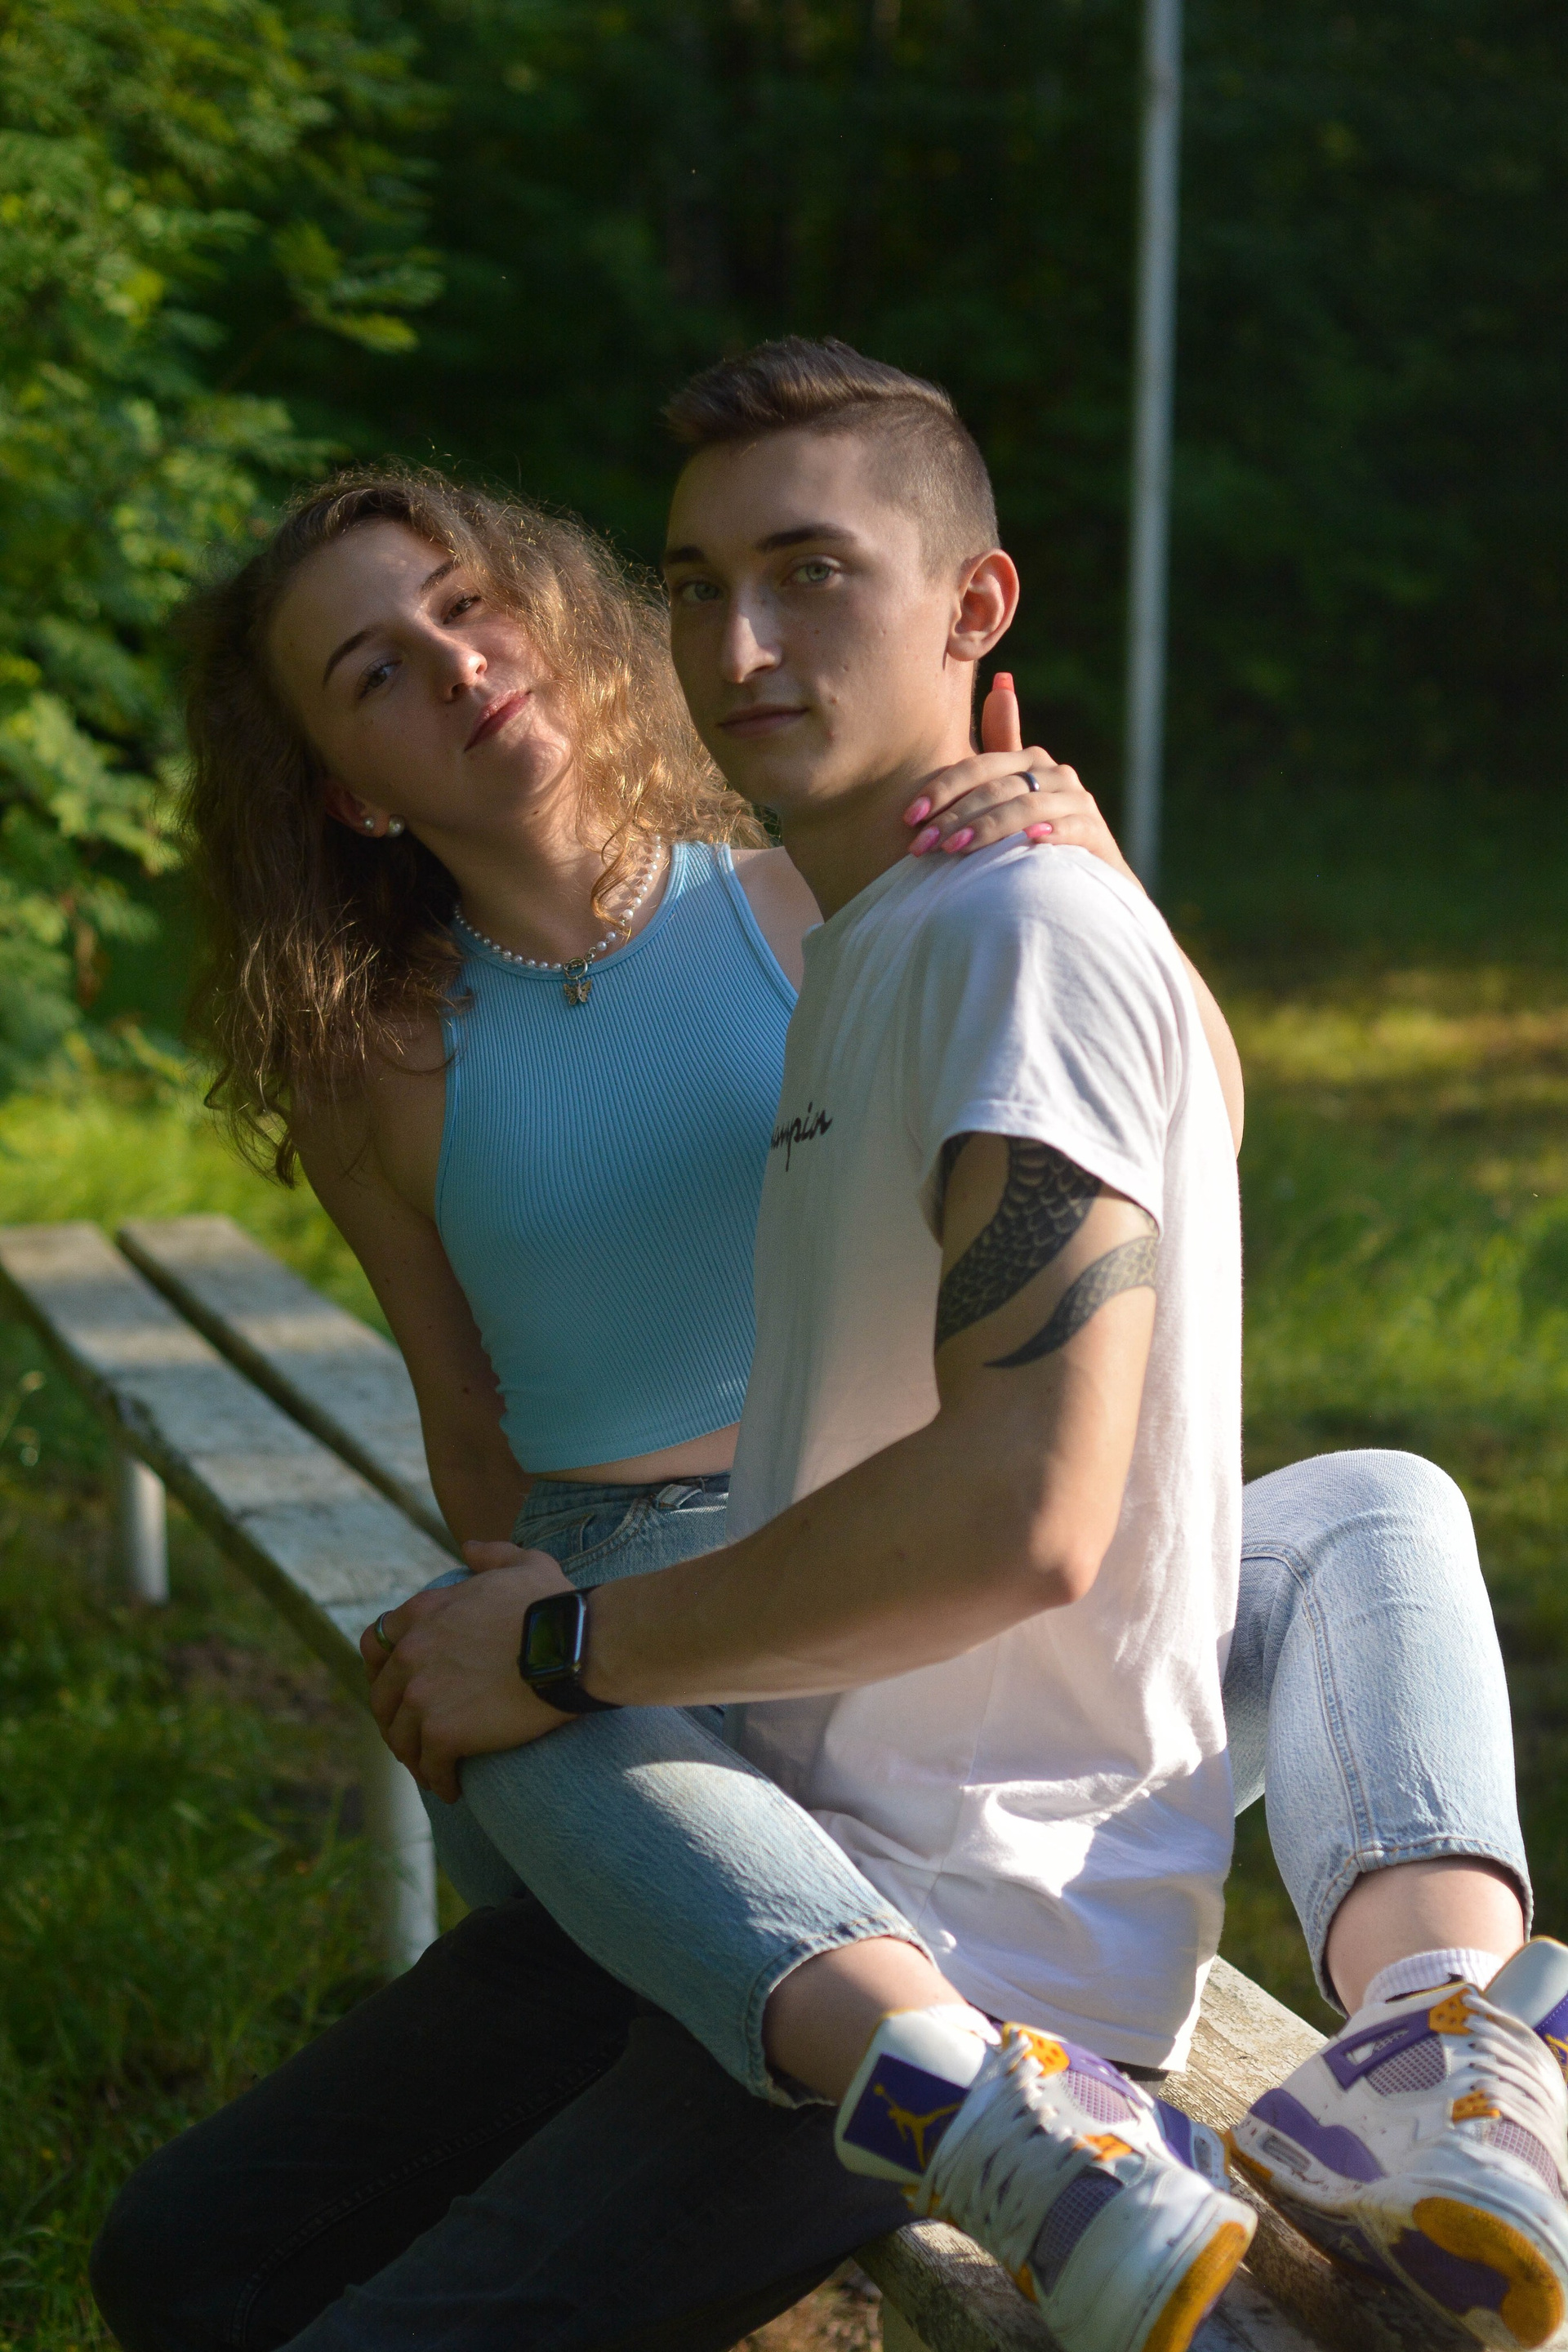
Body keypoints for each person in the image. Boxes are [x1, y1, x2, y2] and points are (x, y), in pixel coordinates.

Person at [91, 354, 1548, 2352]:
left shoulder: (838, 885)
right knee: (179, 2254)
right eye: (377, 673)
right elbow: (468, 1423)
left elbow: (1163, 1115)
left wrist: (1093, 868)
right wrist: (554, 1753)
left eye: (469, 607)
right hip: (663, 1648)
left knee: (1371, 1504)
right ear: (352, 789)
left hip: (893, 1594)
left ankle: (1442, 2047)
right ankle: (829, 2001)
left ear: (559, 622)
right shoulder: (388, 1055)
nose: (454, 666)